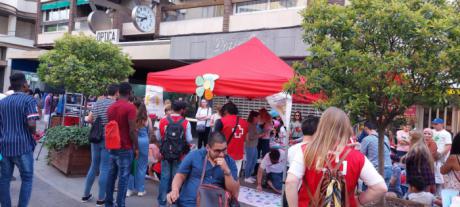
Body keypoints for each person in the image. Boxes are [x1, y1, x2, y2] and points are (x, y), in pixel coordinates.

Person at [285, 107, 387, 207]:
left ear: (321, 125)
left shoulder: (305, 151)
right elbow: (380, 187)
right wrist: (359, 201)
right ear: (345, 128)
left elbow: (290, 182)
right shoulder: (357, 157)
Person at [166, 132, 239, 207]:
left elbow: (233, 191)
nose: (222, 154)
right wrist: (175, 190)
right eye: (217, 151)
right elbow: (180, 175)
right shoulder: (195, 155)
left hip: (215, 203)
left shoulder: (230, 162)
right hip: (189, 203)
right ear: (208, 148)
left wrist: (227, 171)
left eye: (224, 150)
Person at [0, 73, 40, 207]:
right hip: (22, 146)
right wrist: (34, 133)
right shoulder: (29, 100)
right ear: (24, 85)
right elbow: (31, 124)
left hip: (5, 146)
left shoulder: (3, 102)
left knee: (4, 179)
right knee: (27, 179)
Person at [81, 84, 119, 206]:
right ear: (117, 92)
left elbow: (90, 119)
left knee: (93, 165)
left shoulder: (98, 102)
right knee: (105, 168)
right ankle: (101, 199)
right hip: (108, 137)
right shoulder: (114, 105)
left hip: (96, 136)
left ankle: (85, 195)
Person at [105, 82, 138, 207]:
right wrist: (137, 147)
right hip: (125, 147)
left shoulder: (111, 107)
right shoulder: (130, 108)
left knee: (111, 176)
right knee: (123, 179)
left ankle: (108, 203)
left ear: (118, 92)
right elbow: (132, 130)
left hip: (113, 146)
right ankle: (120, 204)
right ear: (129, 93)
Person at [157, 100, 193, 207]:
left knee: (164, 178)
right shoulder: (186, 122)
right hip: (179, 155)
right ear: (182, 110)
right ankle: (175, 202)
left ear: (172, 107)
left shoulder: (163, 120)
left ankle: (162, 203)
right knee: (176, 178)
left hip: (165, 154)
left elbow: (158, 137)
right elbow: (190, 139)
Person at [127, 99, 156, 197]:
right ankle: (140, 189)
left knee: (132, 165)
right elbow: (151, 131)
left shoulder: (132, 117)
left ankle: (129, 189)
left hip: (134, 141)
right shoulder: (147, 119)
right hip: (144, 142)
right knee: (142, 166)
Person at [214, 101, 248, 177]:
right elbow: (246, 139)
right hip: (239, 156)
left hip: (223, 155)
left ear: (225, 111)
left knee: (219, 178)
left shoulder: (221, 121)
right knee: (234, 178)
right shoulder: (245, 123)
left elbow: (214, 139)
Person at [360, 121, 392, 187]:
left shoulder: (366, 139)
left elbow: (361, 156)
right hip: (389, 167)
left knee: (367, 194)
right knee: (382, 195)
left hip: (375, 170)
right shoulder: (385, 137)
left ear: (366, 128)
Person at [432, 118, 452, 194]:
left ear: (442, 124)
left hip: (440, 159)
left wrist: (440, 154)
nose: (434, 125)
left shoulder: (446, 133)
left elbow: (448, 146)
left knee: (439, 178)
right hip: (431, 157)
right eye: (433, 124)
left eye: (436, 124)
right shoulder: (432, 132)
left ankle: (439, 195)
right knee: (432, 177)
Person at [244, 111, 263, 184]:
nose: (259, 119)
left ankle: (248, 176)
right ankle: (246, 177)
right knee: (250, 161)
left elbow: (256, 134)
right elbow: (251, 137)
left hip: (254, 145)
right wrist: (260, 135)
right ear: (254, 117)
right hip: (250, 146)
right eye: (258, 117)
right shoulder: (250, 125)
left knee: (254, 161)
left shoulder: (254, 125)